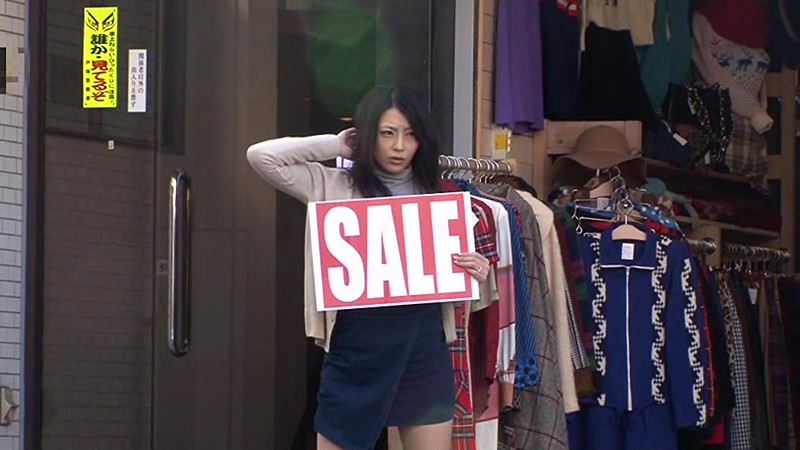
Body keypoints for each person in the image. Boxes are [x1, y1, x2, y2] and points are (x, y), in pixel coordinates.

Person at [246, 86, 491, 450]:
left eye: (410, 135)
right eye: (387, 133)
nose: (399, 146)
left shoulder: (439, 197)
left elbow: (460, 287)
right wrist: (336, 145)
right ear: (367, 135)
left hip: (422, 348)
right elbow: (261, 156)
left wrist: (478, 272)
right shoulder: (333, 185)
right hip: (355, 350)